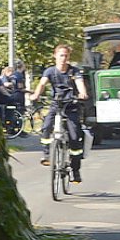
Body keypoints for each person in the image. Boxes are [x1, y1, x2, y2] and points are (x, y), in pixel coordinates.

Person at [28, 43, 90, 182]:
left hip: (71, 105)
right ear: (55, 56)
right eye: (61, 55)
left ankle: (75, 170)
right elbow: (42, 84)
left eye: (66, 55)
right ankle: (46, 155)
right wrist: (36, 95)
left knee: (74, 137)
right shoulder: (50, 71)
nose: (63, 58)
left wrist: (82, 93)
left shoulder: (74, 71)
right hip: (56, 104)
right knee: (46, 126)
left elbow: (79, 83)